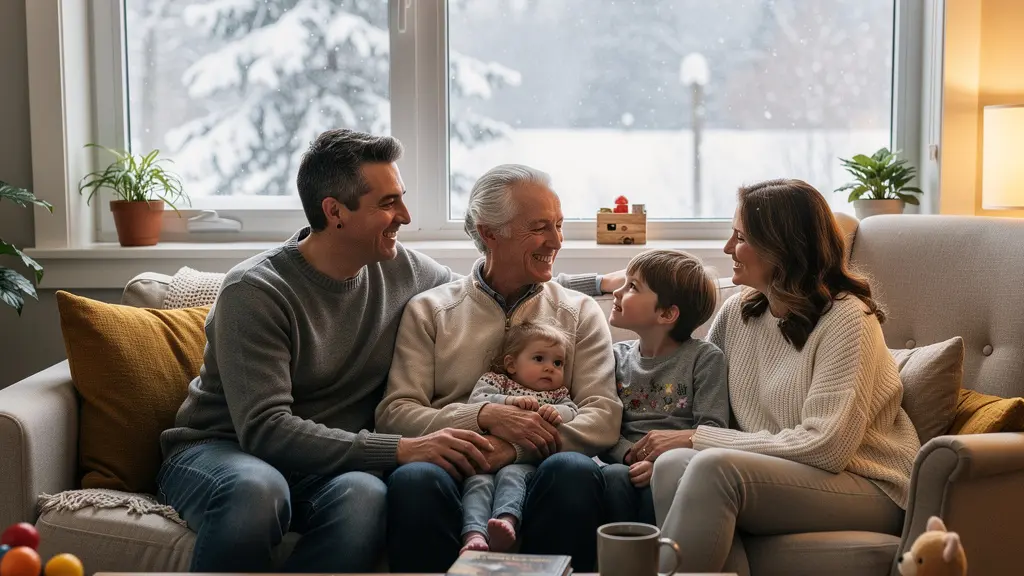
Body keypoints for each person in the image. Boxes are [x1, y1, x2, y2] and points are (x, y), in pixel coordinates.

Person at [155, 130, 619, 573]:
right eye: (388, 202)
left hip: (329, 463)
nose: (406, 216)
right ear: (335, 211)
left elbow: (491, 287)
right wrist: (404, 447)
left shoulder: (401, 270)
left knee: (365, 499)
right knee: (257, 491)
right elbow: (265, 430)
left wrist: (594, 288)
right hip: (226, 448)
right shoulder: (255, 291)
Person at [648, 179, 921, 573]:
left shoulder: (848, 319)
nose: (728, 249)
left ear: (781, 247)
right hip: (779, 475)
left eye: (740, 237)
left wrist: (697, 438)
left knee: (711, 467)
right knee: (672, 464)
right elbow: (704, 403)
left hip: (866, 483)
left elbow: (826, 447)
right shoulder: (738, 314)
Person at [376, 164, 622, 573]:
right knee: (414, 479)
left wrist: (515, 448)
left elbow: (603, 415)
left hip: (545, 469)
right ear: (489, 232)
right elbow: (395, 413)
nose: (557, 241)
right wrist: (483, 417)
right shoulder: (431, 310)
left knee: (574, 471)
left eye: (559, 225)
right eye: (540, 227)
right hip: (455, 464)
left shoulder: (578, 311)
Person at [599, 249, 729, 526]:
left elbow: (713, 429)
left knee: (661, 484)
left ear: (667, 313)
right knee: (613, 477)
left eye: (632, 286)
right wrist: (628, 454)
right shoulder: (614, 356)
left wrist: (658, 463)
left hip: (676, 467)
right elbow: (603, 424)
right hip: (622, 463)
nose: (617, 293)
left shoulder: (705, 359)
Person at [461, 322, 577, 555]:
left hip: (525, 461)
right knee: (477, 484)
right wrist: (507, 402)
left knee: (511, 476)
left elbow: (573, 411)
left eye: (558, 363)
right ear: (511, 364)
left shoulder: (556, 394)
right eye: (539, 359)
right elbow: (476, 400)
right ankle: (474, 535)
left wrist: (555, 413)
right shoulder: (498, 382)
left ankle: (506, 521)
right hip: (486, 457)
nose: (550, 368)